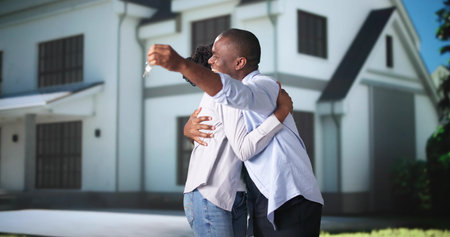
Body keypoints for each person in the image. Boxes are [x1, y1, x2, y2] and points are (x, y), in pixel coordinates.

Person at [147, 28, 324, 236]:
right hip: (251, 196)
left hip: (288, 196)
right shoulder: (221, 98)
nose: (211, 62)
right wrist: (281, 113)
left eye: (217, 56)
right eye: (211, 56)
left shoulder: (263, 85)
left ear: (239, 63)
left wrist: (182, 65)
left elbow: (237, 96)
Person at [180, 45, 294, 236]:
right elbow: (243, 148)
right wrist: (280, 114)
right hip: (213, 193)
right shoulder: (223, 94)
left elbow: (216, 139)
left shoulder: (245, 92)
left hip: (232, 194)